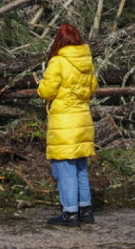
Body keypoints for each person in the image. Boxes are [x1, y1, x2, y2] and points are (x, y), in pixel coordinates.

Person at [36, 23, 98, 226]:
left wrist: (40, 86)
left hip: (64, 121)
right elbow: (92, 87)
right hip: (82, 119)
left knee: (65, 168)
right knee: (80, 165)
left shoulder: (58, 62)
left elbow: (47, 92)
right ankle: (85, 209)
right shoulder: (87, 61)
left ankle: (70, 213)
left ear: (59, 41)